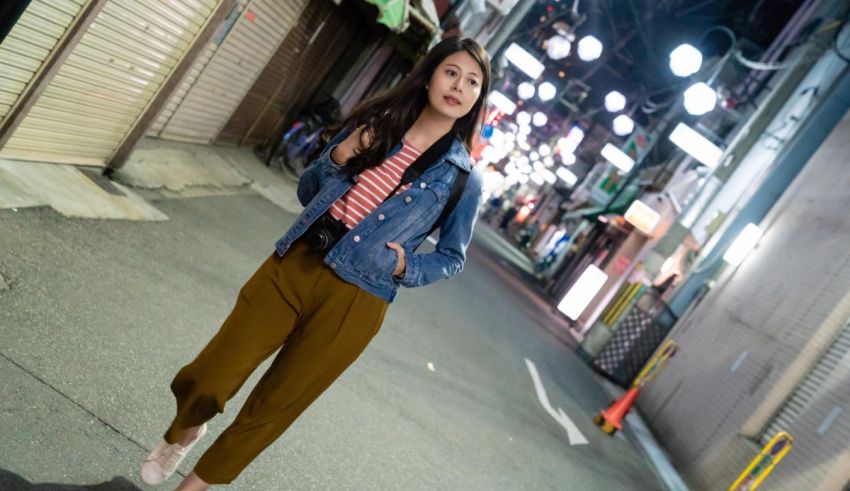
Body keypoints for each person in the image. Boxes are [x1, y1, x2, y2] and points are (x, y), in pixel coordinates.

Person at [139, 36, 491, 490]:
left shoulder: (464, 178)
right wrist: (339, 157)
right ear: (429, 77)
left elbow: (451, 257)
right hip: (299, 262)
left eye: (472, 81)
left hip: (358, 300)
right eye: (451, 72)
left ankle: (194, 487)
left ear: (479, 97)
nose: (458, 86)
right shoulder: (375, 124)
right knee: (210, 375)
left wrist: (409, 269)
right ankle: (185, 431)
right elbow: (309, 191)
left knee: (273, 408)